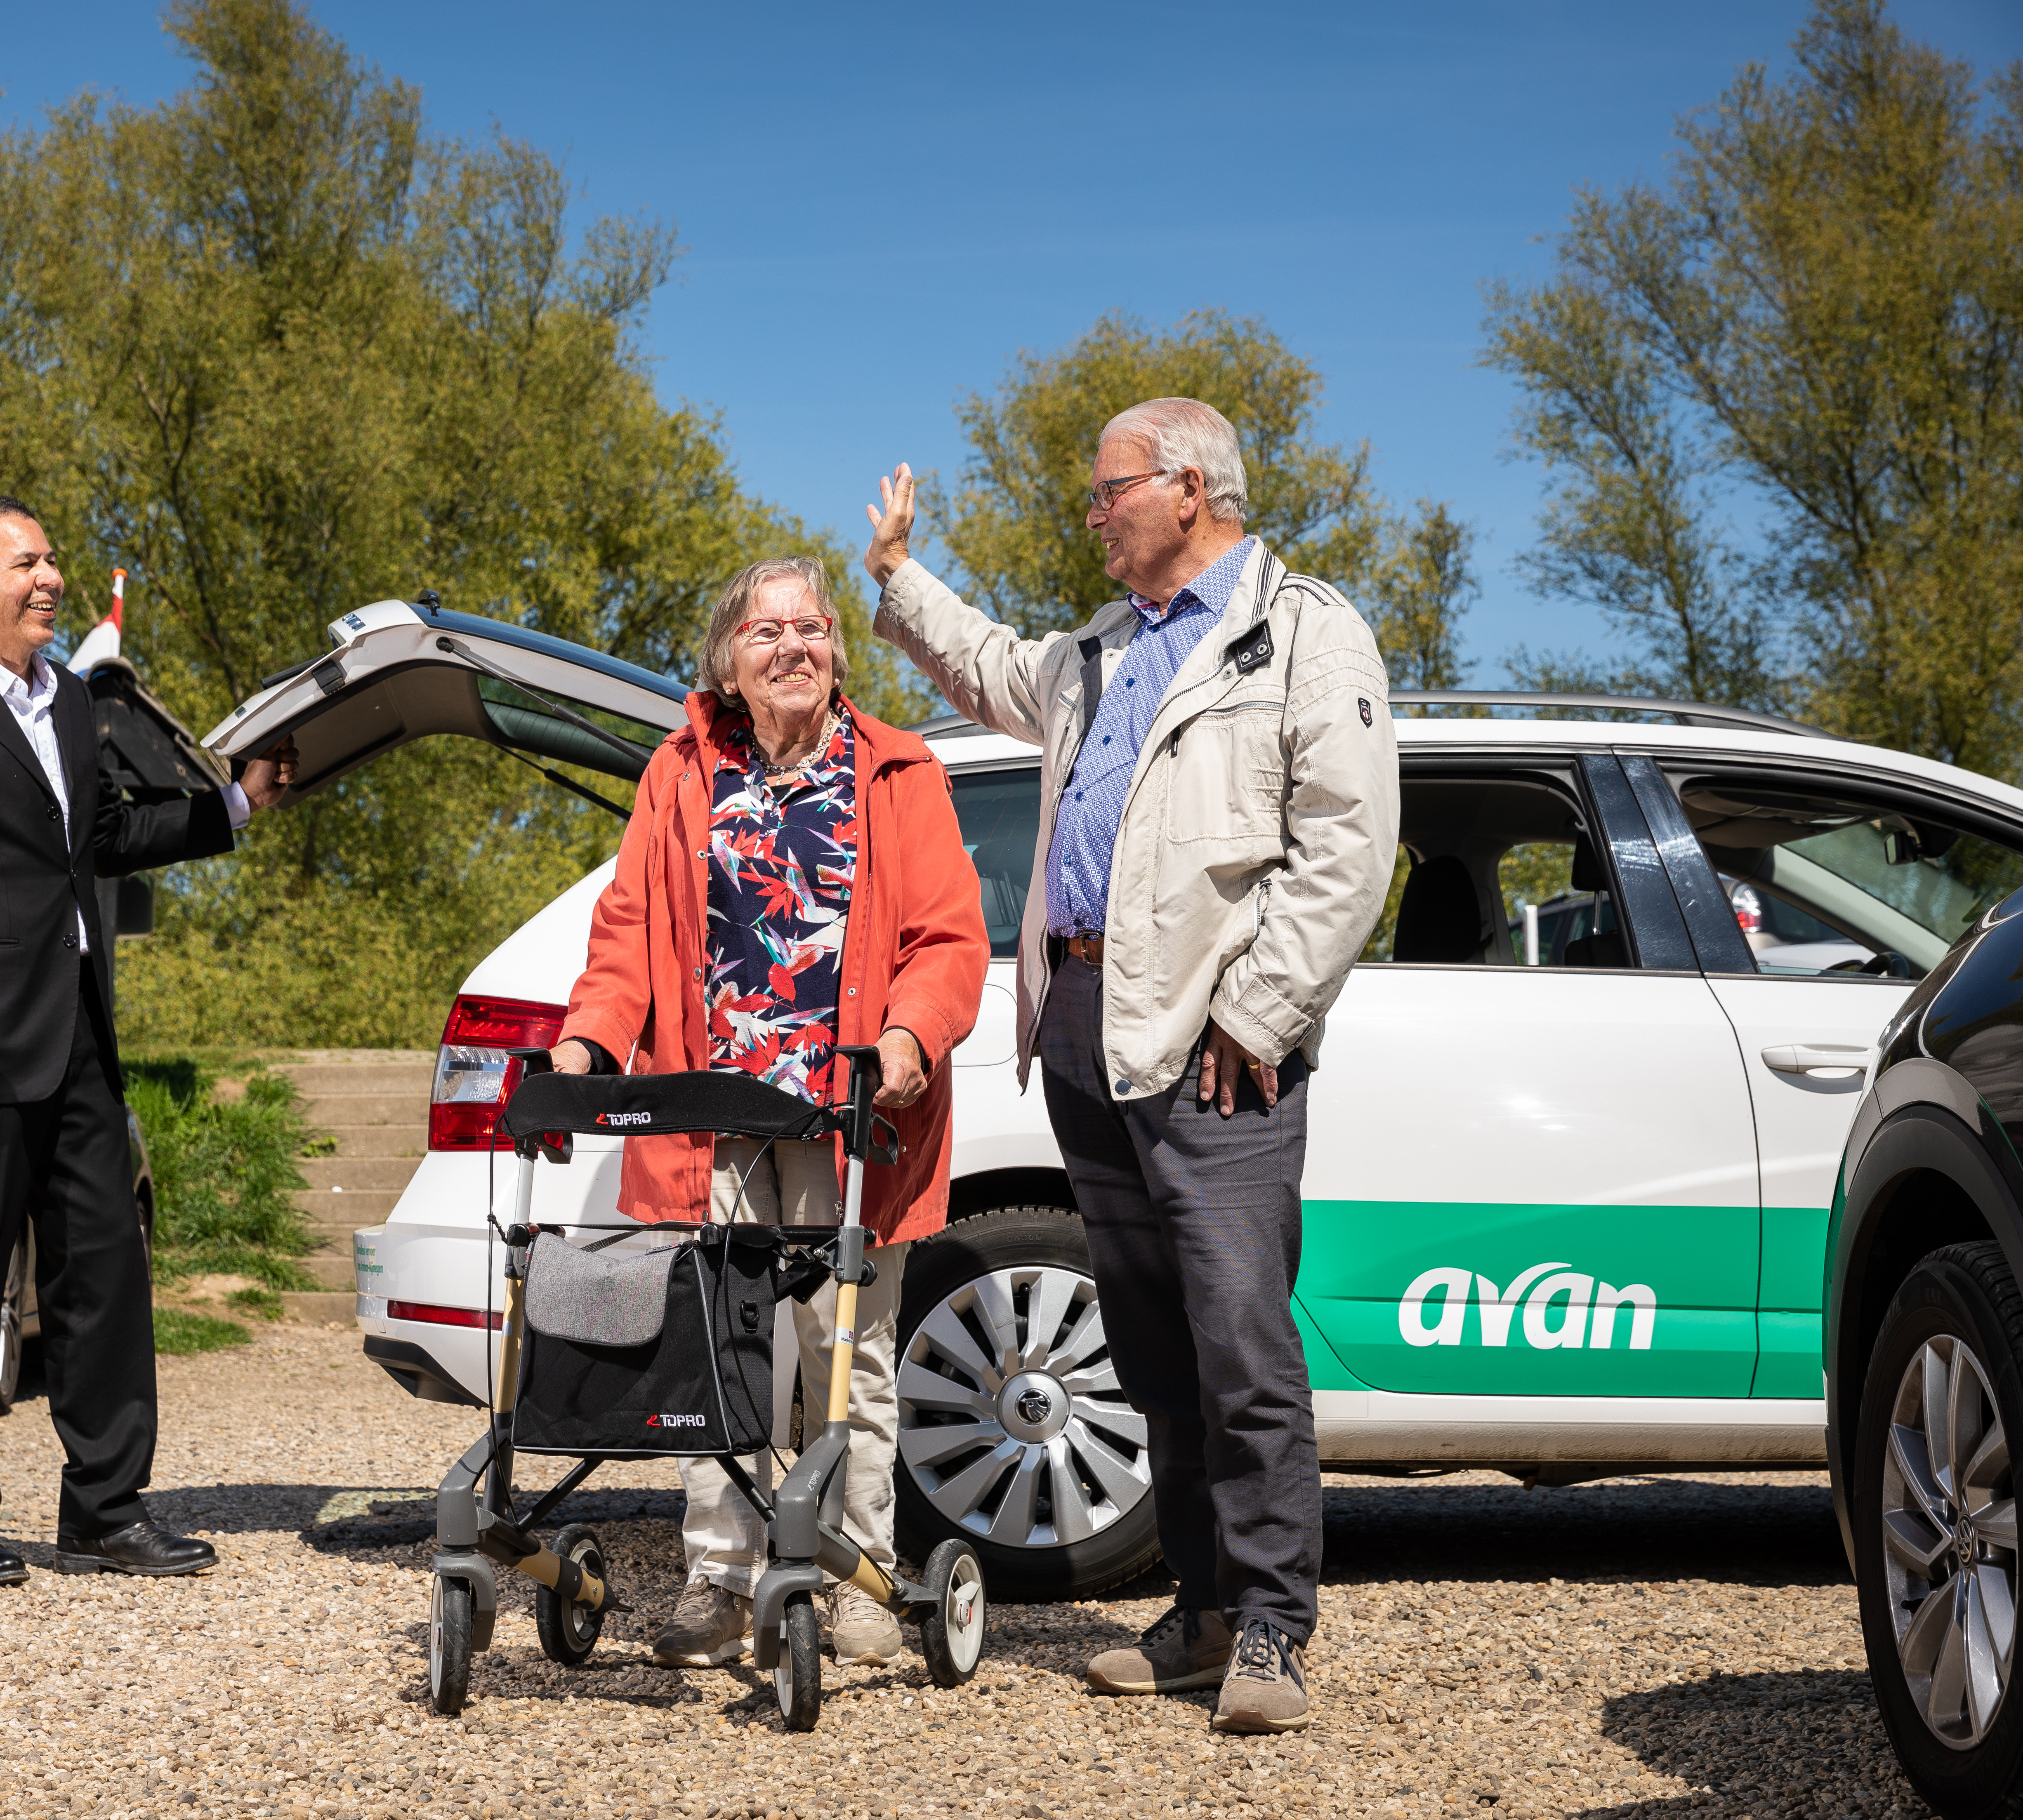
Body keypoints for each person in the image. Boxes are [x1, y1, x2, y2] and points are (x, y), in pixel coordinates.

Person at [861, 400, 1399, 1733]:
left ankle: (1273, 1631)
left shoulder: (1303, 633)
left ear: (1186, 490)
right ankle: (1204, 1615)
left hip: (1215, 1044)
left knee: (1241, 1346)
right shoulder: (1099, 651)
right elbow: (986, 665)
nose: (1091, 513)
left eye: (1108, 492)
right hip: (1083, 1022)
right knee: (1152, 1351)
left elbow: (1346, 846)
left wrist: (1257, 1014)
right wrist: (894, 578)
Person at [0, 496, 297, 1589]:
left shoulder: (69, 703)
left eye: (52, 561)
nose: (50, 578)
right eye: (27, 561)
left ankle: (105, 1510)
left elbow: (98, 839)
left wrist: (232, 805)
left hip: (78, 1040)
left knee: (105, 1276)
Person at [546, 556, 989, 1671]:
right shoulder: (680, 772)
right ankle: (720, 1576)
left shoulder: (898, 769)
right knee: (714, 1353)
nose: (794, 646)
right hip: (710, 1113)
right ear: (727, 665)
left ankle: (855, 1573)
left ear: (838, 650)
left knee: (848, 1349)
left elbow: (947, 938)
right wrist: (583, 1044)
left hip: (850, 1116)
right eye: (766, 633)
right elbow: (628, 932)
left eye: (813, 628)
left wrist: (907, 1037)